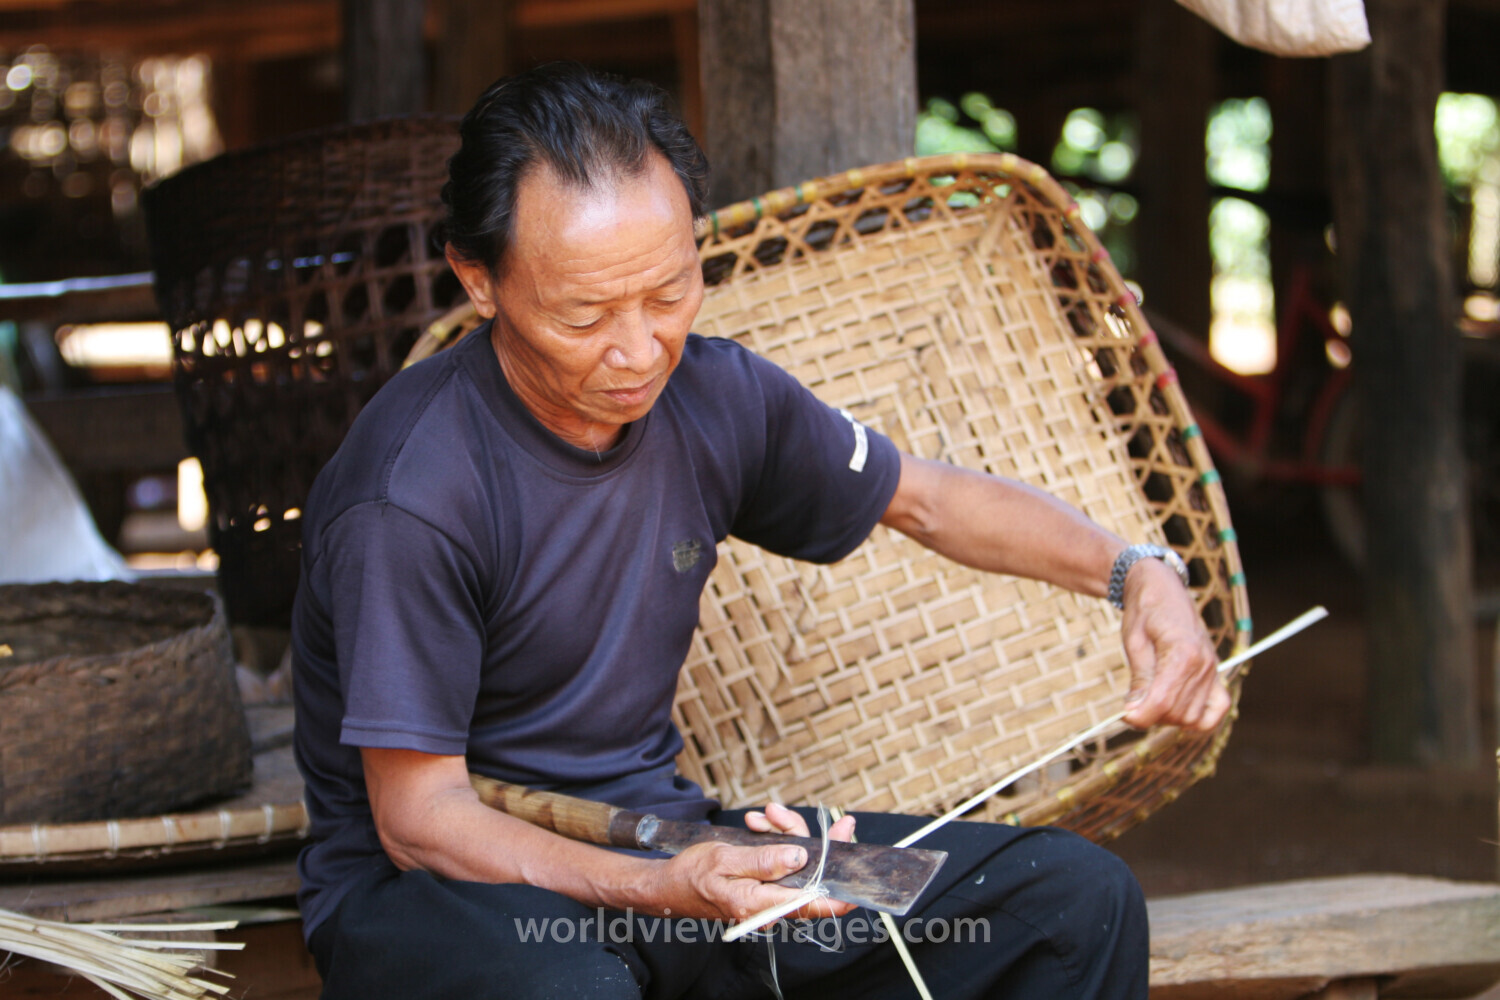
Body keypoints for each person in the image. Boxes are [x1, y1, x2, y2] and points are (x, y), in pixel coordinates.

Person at [291, 63, 1230, 1000]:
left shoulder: (714, 397)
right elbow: (419, 821)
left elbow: (929, 499)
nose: (639, 350)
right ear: (478, 278)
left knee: (1071, 904)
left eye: (669, 293)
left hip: (678, 851)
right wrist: (660, 889)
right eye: (584, 315)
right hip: (451, 900)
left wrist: (1134, 572)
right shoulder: (412, 493)